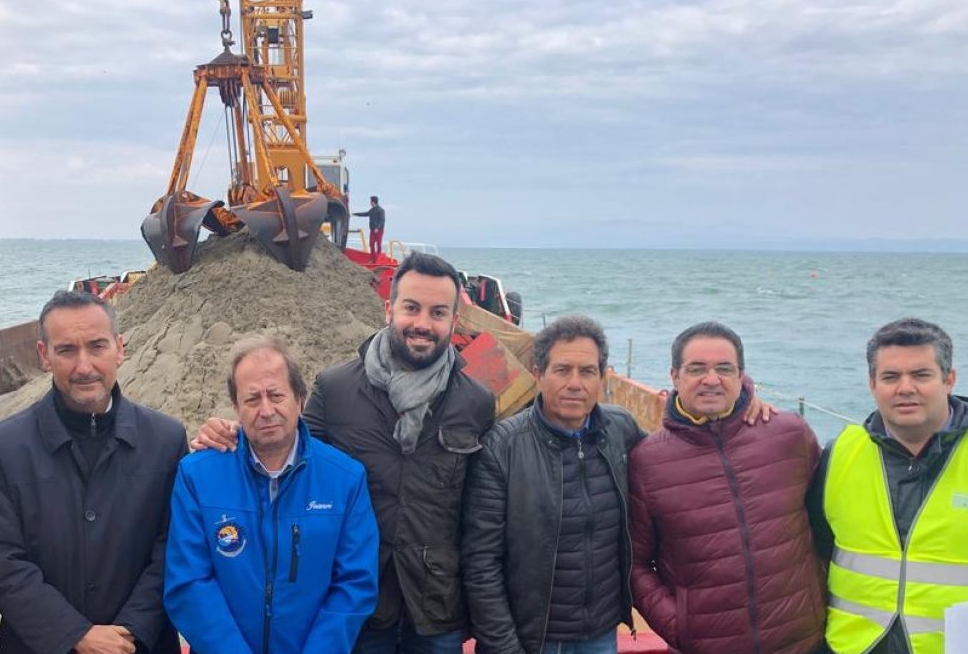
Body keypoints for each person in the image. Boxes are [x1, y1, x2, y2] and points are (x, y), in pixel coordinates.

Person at [193, 251, 496, 654]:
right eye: (411, 308)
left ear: (454, 322)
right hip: (357, 606)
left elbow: (483, 514)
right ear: (388, 309)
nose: (423, 324)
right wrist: (232, 433)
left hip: (437, 608)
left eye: (438, 312)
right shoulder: (336, 389)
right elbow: (287, 452)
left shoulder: (475, 402)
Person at [0, 290, 186, 654]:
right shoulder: (3, 447)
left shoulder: (166, 440)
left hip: (140, 645)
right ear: (44, 355)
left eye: (97, 346)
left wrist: (130, 629)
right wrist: (74, 635)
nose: (84, 366)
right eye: (67, 350)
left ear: (120, 348)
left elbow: (175, 547)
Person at [164, 336, 378, 653]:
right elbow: (188, 582)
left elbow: (355, 584)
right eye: (252, 399)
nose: (266, 410)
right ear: (236, 407)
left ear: (300, 400)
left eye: (276, 395)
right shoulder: (197, 475)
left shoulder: (345, 478)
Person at [627, 322, 825, 654]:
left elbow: (826, 528)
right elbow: (634, 562)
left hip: (802, 643)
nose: (711, 379)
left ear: (741, 375)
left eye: (723, 368)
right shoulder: (647, 461)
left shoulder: (790, 435)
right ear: (675, 376)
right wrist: (680, 627)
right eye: (697, 369)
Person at [808, 318, 968, 654]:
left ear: (949, 379)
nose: (905, 387)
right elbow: (817, 549)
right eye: (890, 376)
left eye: (921, 375)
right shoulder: (839, 452)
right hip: (851, 646)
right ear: (872, 384)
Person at [462, 315, 645, 654]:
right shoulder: (503, 447)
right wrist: (504, 647)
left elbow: (679, 460)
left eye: (587, 371)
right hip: (531, 639)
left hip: (601, 633)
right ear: (538, 373)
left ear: (603, 377)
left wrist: (743, 405)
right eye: (562, 370)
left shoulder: (621, 431)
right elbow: (480, 562)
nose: (575, 383)